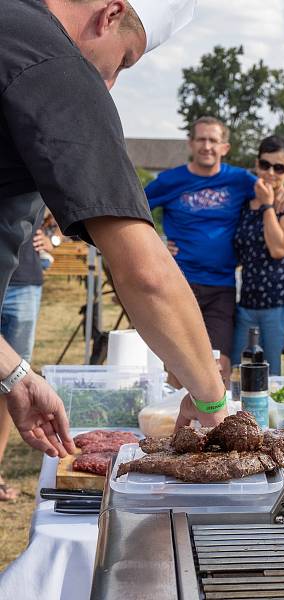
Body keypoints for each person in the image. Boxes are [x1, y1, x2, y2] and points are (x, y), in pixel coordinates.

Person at [0, 0, 230, 459]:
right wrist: (213, 404)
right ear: (110, 14)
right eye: (124, 59)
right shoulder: (54, 65)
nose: (109, 82)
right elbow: (145, 274)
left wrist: (14, 372)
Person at [146, 119, 284, 381]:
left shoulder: (240, 179)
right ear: (191, 143)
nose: (207, 146)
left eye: (213, 141)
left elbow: (275, 184)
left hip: (222, 287)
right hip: (180, 283)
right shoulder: (169, 181)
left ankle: (214, 421)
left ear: (225, 147)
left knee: (220, 365)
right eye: (201, 139)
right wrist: (155, 243)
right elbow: (131, 209)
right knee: (177, 365)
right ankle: (176, 419)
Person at [232, 136, 284, 374]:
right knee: (240, 374)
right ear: (256, 164)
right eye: (265, 165)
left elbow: (279, 248)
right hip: (248, 304)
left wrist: (269, 206)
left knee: (277, 379)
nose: (270, 172)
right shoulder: (245, 201)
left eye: (278, 167)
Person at [0, 213, 53, 500]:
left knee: (11, 384)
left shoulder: (31, 167)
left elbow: (68, 202)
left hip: (23, 283)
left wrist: (53, 239)